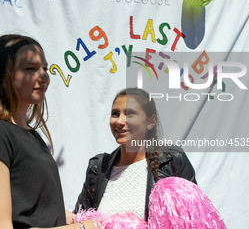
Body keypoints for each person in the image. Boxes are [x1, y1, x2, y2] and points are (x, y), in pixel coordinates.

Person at [0, 34, 98, 229]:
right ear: (3, 75)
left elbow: (30, 210)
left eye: (45, 69)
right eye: (31, 69)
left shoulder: (31, 136)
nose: (44, 77)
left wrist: (66, 216)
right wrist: (85, 228)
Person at [74, 87, 197, 221]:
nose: (119, 121)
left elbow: (194, 219)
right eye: (115, 114)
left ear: (151, 121)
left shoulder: (172, 161)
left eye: (130, 114)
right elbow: (81, 220)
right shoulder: (98, 167)